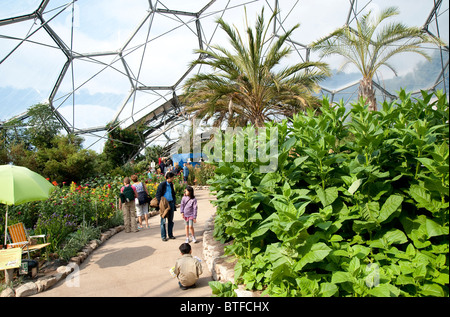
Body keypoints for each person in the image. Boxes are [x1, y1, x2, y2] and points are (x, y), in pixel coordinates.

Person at [155, 172, 176, 241]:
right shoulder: (162, 185)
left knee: (170, 220)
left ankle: (170, 235)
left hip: (171, 203)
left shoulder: (171, 184)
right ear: (169, 178)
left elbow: (173, 193)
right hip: (164, 205)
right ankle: (163, 236)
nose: (173, 179)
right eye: (172, 177)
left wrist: (174, 201)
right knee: (163, 221)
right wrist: (161, 203)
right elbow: (158, 195)